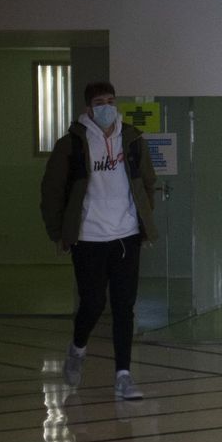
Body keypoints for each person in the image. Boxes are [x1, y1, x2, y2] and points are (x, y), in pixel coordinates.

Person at [40, 81, 160, 400]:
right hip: (89, 237)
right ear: (87, 109)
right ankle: (77, 348)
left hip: (126, 236)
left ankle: (123, 375)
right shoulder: (71, 145)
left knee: (125, 307)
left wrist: (143, 222)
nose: (106, 107)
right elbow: (51, 192)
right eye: (99, 102)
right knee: (93, 303)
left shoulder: (132, 140)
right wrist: (58, 233)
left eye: (110, 100)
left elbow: (148, 183)